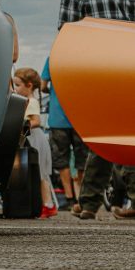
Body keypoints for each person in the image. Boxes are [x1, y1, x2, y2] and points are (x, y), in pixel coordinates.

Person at [58, 0, 135, 220]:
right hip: (131, 60)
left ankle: (90, 203)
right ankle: (89, 203)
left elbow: (66, 26)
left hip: (97, 64)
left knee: (103, 130)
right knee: (127, 127)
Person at [41, 57, 87, 211]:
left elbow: (42, 85)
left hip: (58, 117)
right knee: (82, 159)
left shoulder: (53, 58)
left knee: (62, 160)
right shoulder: (83, 57)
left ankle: (69, 198)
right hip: (80, 117)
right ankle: (82, 197)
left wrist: (53, 91)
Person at [12, 67, 57, 218]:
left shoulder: (31, 101)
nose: (15, 89)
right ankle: (46, 204)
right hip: (33, 138)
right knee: (40, 173)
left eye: (18, 85)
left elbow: (35, 121)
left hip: (35, 138)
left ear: (29, 85)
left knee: (40, 173)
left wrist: (21, 132)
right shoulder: (29, 101)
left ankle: (48, 204)